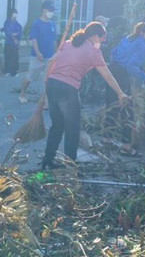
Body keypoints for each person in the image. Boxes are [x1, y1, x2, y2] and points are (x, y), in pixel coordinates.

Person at [42, 22, 128, 169]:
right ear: (95, 36)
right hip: (68, 89)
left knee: (57, 126)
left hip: (52, 84)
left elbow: (51, 61)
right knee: (72, 128)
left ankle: (47, 161)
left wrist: (47, 81)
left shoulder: (68, 44)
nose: (102, 42)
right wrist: (120, 93)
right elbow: (108, 76)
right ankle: (70, 166)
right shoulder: (93, 52)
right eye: (101, 39)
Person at [106, 21, 145, 152]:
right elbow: (131, 67)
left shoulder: (128, 37)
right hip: (123, 75)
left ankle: (106, 138)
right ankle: (126, 144)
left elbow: (113, 52)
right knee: (127, 108)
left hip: (112, 71)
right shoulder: (142, 44)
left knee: (112, 105)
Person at [19, 1, 57, 104]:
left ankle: (46, 101)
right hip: (37, 56)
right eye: (50, 10)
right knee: (30, 77)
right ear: (44, 10)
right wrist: (38, 52)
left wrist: (56, 54)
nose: (51, 13)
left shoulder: (52, 24)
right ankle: (22, 93)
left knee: (48, 80)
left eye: (52, 11)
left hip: (50, 57)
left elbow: (54, 40)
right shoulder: (36, 24)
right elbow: (34, 39)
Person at [0, 8, 23, 76]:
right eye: (14, 13)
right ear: (11, 14)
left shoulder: (17, 24)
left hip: (15, 45)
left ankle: (14, 71)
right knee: (8, 57)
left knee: (15, 58)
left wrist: (15, 34)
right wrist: (14, 37)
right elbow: (8, 32)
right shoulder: (7, 22)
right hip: (9, 43)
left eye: (16, 14)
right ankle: (7, 71)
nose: (15, 15)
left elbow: (20, 32)